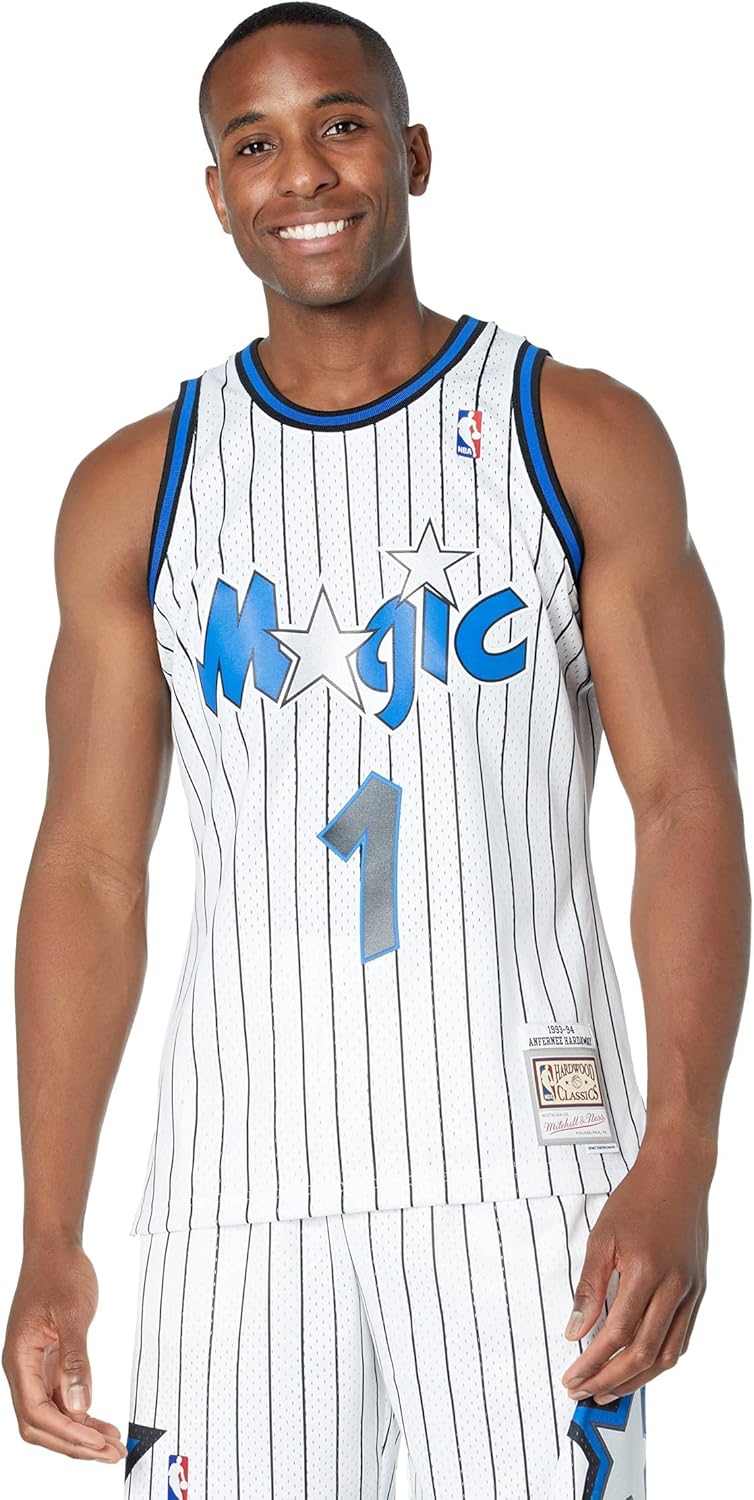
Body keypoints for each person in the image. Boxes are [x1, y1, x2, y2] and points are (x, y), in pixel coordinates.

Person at [2, 3, 749, 1496]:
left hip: (528, 1174)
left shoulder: (572, 432)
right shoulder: (138, 489)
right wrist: (49, 1230)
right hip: (232, 1190)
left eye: (339, 125)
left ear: (410, 154)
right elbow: (87, 869)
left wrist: (679, 1147)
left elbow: (683, 805)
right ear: (216, 192)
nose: (303, 174)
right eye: (255, 144)